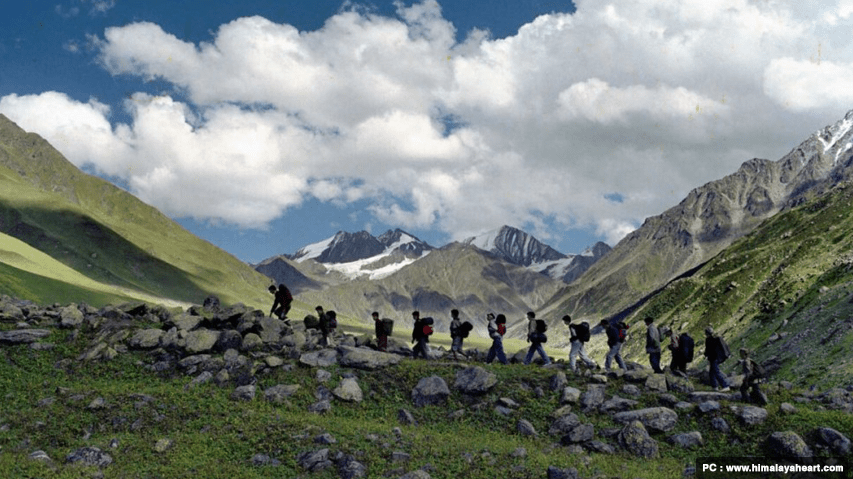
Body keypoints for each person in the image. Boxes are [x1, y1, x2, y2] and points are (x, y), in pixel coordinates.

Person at [703, 327, 730, 391]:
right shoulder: (717, 338)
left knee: (716, 371)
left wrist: (706, 355)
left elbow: (708, 349)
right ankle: (714, 387)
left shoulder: (709, 339)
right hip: (716, 357)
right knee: (712, 372)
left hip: (714, 358)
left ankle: (725, 386)